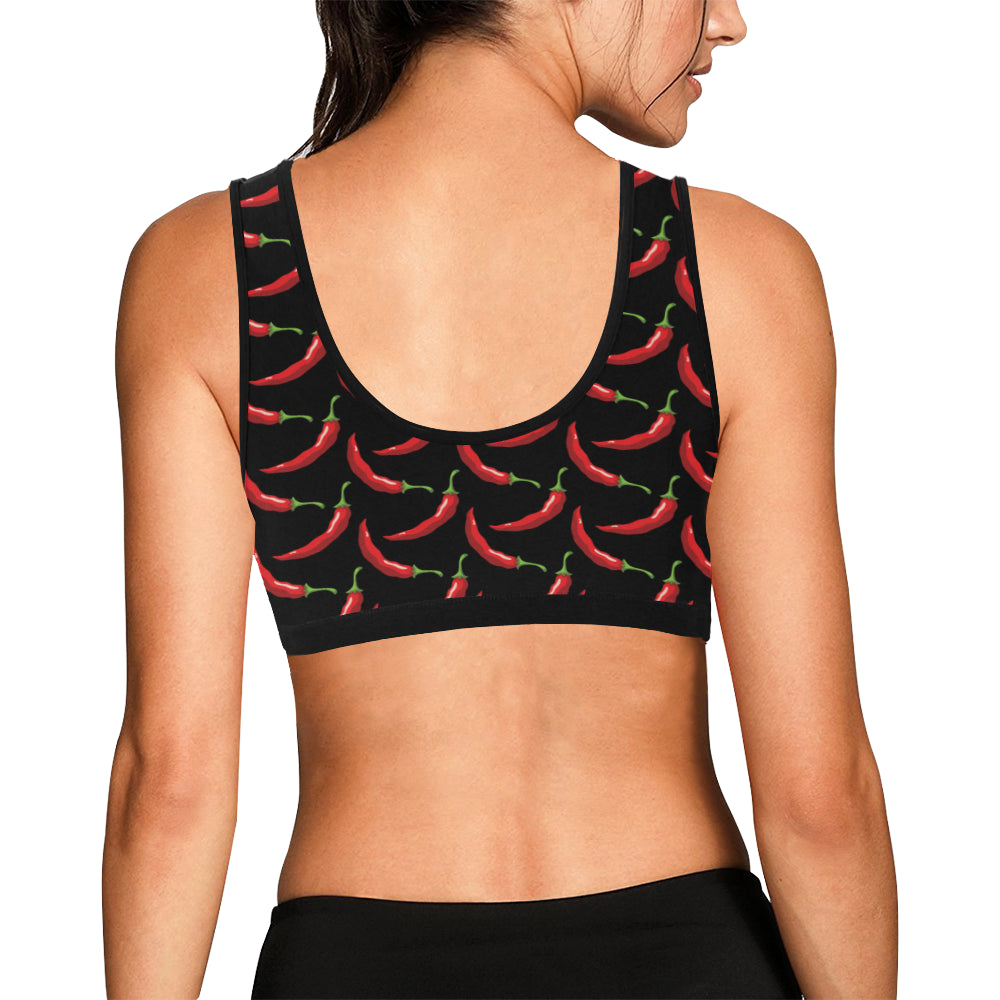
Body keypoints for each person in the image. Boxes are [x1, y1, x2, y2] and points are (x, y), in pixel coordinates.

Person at [102, 1, 898, 997]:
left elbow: (170, 784)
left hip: (354, 968)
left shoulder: (210, 268)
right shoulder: (733, 271)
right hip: (686, 958)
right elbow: (820, 799)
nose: (731, 21)